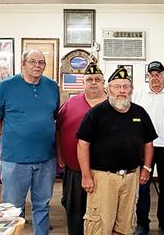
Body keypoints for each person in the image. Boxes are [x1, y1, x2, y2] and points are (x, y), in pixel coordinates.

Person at [77, 67, 157, 235]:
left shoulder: (140, 112)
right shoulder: (97, 113)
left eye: (125, 86)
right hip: (103, 178)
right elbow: (83, 144)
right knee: (99, 227)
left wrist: (147, 168)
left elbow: (148, 143)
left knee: (125, 225)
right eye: (117, 86)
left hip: (131, 177)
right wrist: (86, 176)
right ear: (108, 89)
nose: (122, 90)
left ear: (131, 89)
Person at [0, 50, 59, 235]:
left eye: (41, 62)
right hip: (15, 160)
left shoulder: (52, 86)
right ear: (23, 64)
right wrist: (9, 138)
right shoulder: (6, 86)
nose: (37, 65)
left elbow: (53, 117)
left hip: (46, 158)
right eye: (33, 61)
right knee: (13, 209)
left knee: (42, 206)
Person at [56, 63, 107, 235]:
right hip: (76, 171)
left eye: (97, 79)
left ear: (104, 83)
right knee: (76, 213)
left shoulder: (116, 105)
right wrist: (60, 154)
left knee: (103, 215)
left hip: (106, 173)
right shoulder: (71, 104)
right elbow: (57, 130)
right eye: (89, 79)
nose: (93, 83)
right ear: (83, 83)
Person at [133, 61, 164, 234]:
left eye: (158, 74)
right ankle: (142, 223)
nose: (155, 78)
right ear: (148, 77)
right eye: (151, 75)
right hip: (144, 148)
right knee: (143, 186)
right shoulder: (139, 94)